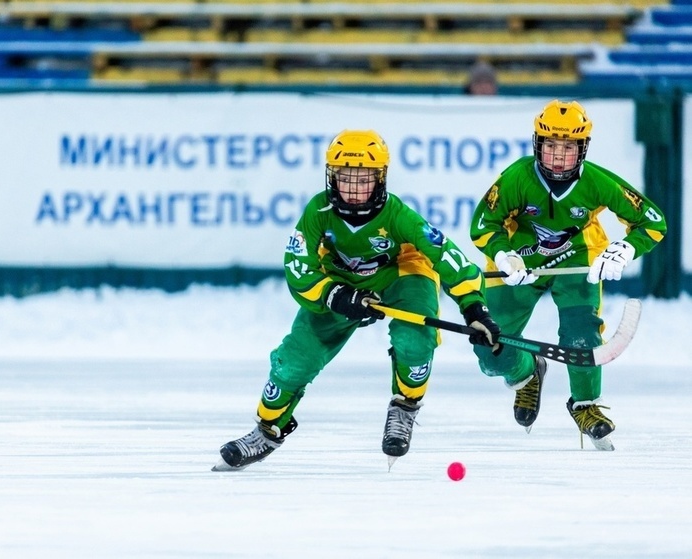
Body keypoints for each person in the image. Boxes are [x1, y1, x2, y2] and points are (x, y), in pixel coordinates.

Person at [213, 129, 501, 471]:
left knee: (414, 340)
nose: (353, 189)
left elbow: (445, 255)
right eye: (345, 178)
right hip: (340, 283)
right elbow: (297, 266)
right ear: (331, 178)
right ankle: (267, 428)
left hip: (401, 274)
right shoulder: (317, 212)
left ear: (380, 180)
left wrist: (473, 306)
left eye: (363, 179)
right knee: (294, 360)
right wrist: (334, 295)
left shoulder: (399, 215)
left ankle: (405, 407)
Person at [469, 99, 667, 450]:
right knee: (490, 350)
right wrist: (503, 254)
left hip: (576, 261)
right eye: (551, 146)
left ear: (583, 149)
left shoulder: (596, 182)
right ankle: (526, 373)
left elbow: (652, 220)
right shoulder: (517, 177)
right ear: (537, 145)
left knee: (581, 333)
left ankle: (585, 405)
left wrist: (625, 249)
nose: (559, 156)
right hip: (520, 263)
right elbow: (483, 223)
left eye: (568, 147)